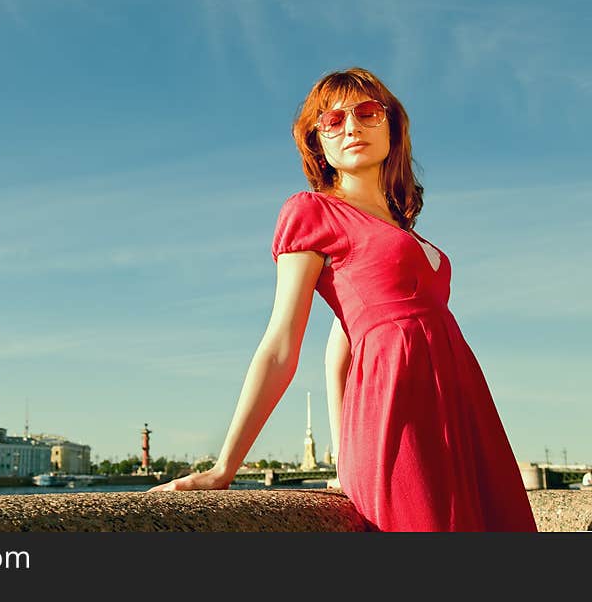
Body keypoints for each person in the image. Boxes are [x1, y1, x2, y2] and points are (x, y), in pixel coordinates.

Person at [148, 67, 538, 532]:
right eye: (331, 121)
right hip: (398, 411)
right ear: (319, 143)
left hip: (464, 410)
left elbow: (341, 345)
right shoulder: (311, 212)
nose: (351, 126)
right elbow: (280, 344)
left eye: (367, 112)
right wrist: (224, 467)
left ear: (392, 125)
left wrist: (339, 456)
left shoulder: (400, 227)